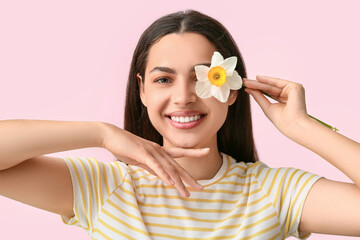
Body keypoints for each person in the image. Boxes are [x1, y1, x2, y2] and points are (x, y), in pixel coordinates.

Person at [0, 9, 359, 240]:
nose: (184, 96)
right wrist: (102, 133)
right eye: (163, 80)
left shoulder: (274, 192)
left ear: (232, 91)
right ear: (141, 90)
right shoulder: (105, 186)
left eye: (204, 77)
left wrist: (301, 126)